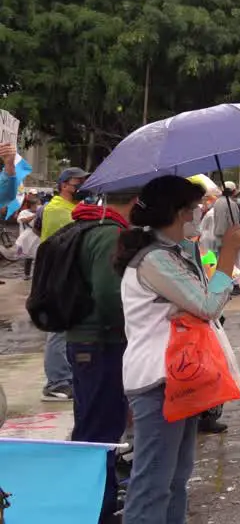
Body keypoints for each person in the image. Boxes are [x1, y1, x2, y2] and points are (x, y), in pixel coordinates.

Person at [117, 175, 240, 524]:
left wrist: (203, 253)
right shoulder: (153, 260)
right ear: (175, 212)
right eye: (192, 208)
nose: (199, 213)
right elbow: (208, 306)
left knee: (176, 478)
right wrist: (229, 255)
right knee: (153, 481)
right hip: (158, 380)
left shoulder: (174, 252)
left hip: (180, 376)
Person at [66, 188, 137, 523]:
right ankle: (98, 507)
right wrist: (131, 331)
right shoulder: (111, 233)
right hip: (100, 342)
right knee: (100, 428)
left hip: (86, 341)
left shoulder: (89, 225)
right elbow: (110, 295)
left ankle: (99, 497)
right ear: (136, 203)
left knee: (95, 422)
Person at [39, 166, 89, 402]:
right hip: (58, 275)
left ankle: (65, 377)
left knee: (67, 328)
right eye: (77, 182)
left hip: (70, 274)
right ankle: (56, 382)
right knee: (58, 330)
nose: (81, 187)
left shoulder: (72, 207)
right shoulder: (57, 209)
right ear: (64, 185)